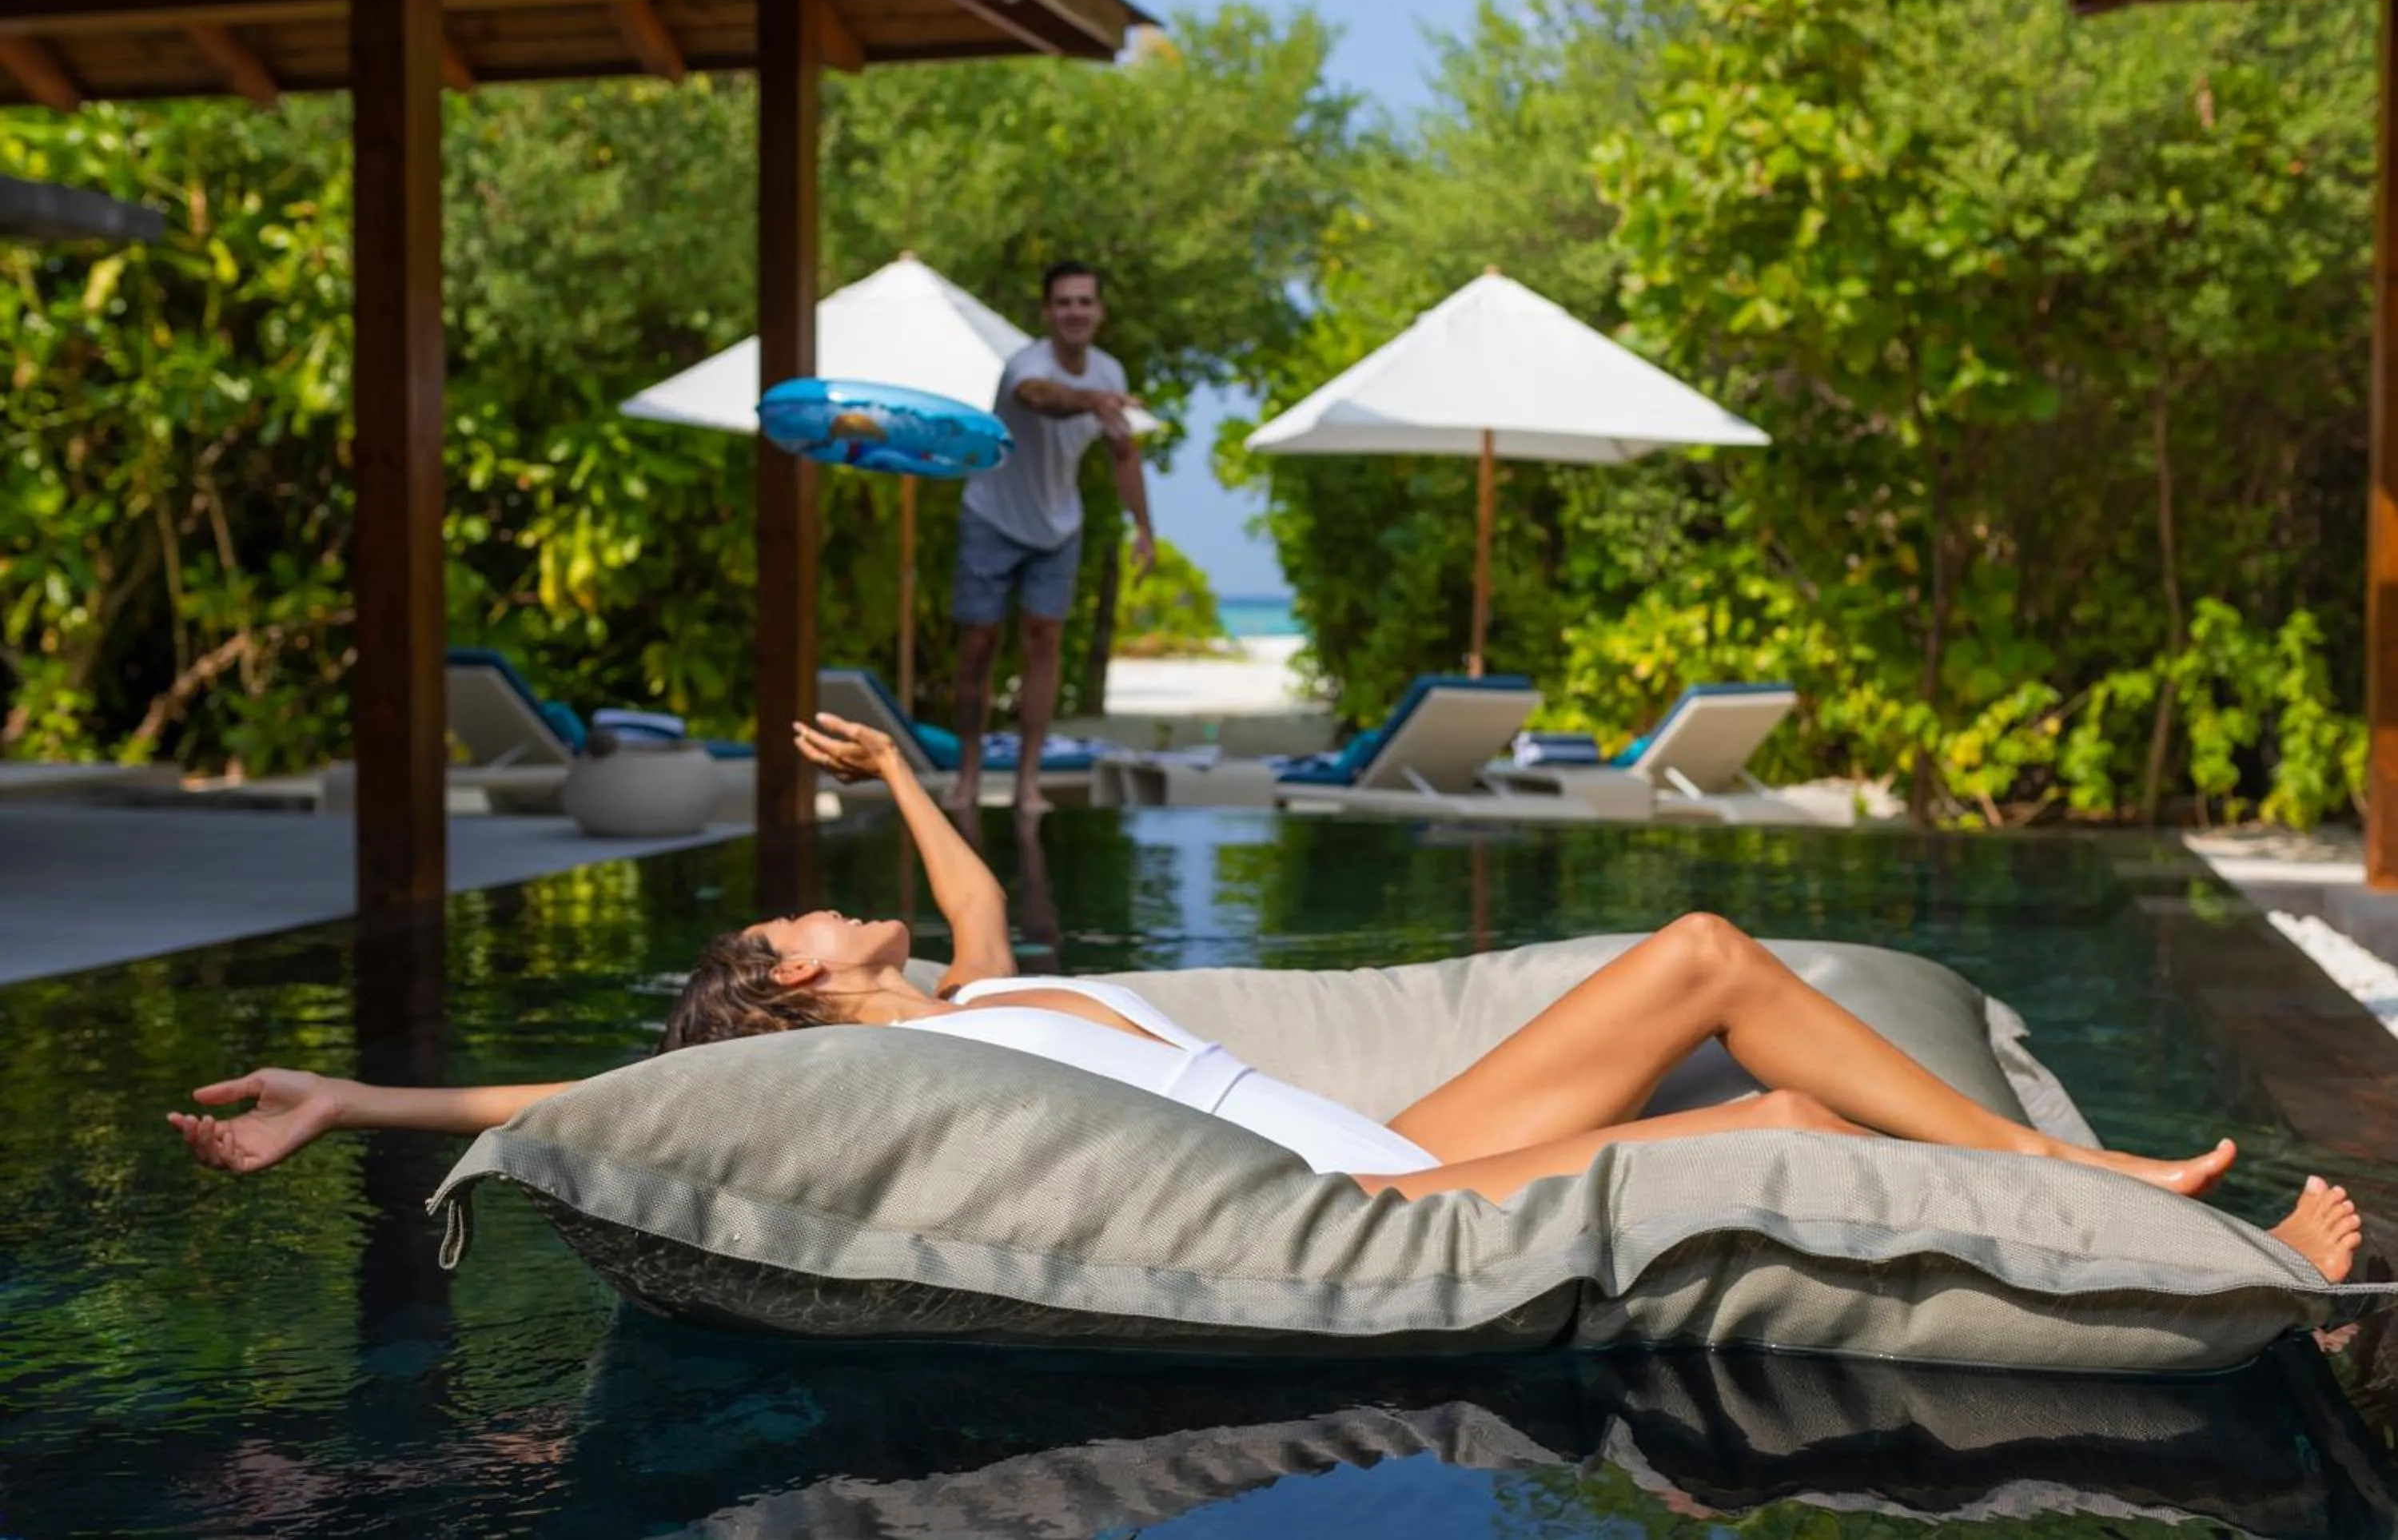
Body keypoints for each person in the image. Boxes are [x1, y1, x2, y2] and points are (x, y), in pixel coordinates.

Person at [169, 717, 2366, 1283]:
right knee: (1704, 968)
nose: (848, 912)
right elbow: (585, 1093)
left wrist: (910, 771)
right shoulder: (883, 1066)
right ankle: (2149, 1207)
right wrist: (342, 1103)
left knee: (1763, 1085)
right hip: (1400, 1181)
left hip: (1409, 1147)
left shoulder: (963, 999)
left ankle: (2138, 1210)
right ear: (782, 997)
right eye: (812, 926)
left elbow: (962, 898)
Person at [950, 261, 1154, 814]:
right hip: (992, 515)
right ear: (1047, 313)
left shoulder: (1110, 373)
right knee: (979, 643)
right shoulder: (1026, 365)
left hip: (1059, 524)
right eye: (1064, 302)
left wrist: (1145, 529)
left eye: (1085, 302)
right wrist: (1093, 401)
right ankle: (967, 778)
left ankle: (1027, 784)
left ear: (1100, 312)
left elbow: (1122, 453)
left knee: (1045, 641)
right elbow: (1042, 398)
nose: (1075, 312)